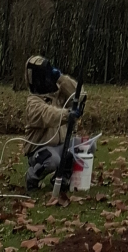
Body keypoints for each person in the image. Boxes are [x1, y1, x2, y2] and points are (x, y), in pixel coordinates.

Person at [23, 55, 88, 195]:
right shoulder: (33, 103)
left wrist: (61, 78)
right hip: (40, 150)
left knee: (86, 146)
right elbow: (49, 114)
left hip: (61, 145)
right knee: (51, 160)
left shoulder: (59, 92)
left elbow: (80, 95)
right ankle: (32, 178)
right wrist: (67, 114)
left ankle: (63, 178)